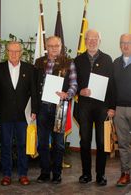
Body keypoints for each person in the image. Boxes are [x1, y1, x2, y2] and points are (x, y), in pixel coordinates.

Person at [0, 41, 37, 186]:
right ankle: (6, 175)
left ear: (21, 53)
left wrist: (34, 110)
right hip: (4, 115)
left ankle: (23, 174)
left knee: (23, 145)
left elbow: (34, 92)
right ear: (7, 52)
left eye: (17, 51)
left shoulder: (29, 69)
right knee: (6, 145)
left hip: (24, 115)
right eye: (11, 51)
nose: (14, 54)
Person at [74, 29, 115, 186]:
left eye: (95, 38)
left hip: (103, 107)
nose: (92, 41)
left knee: (101, 142)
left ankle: (101, 175)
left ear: (100, 41)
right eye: (89, 38)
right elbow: (72, 83)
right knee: (85, 141)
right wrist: (79, 91)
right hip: (84, 106)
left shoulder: (107, 59)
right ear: (85, 41)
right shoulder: (78, 60)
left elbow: (112, 85)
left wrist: (112, 107)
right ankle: (86, 174)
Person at [34, 36, 77, 184]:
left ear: (61, 46)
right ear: (46, 46)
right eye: (51, 46)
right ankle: (45, 172)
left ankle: (57, 173)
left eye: (56, 46)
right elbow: (34, 86)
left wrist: (68, 94)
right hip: (42, 108)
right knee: (42, 143)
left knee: (58, 143)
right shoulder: (39, 63)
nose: (54, 48)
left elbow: (74, 84)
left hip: (60, 108)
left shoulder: (68, 63)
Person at [113, 33, 131, 187]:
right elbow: (111, 88)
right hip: (119, 109)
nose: (126, 45)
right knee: (123, 144)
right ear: (120, 45)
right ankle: (125, 173)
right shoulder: (115, 63)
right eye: (123, 43)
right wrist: (111, 108)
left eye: (129, 43)